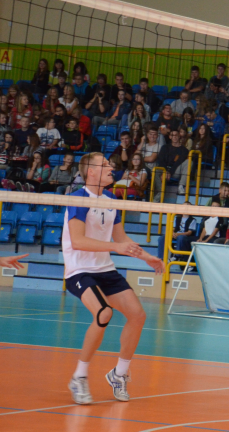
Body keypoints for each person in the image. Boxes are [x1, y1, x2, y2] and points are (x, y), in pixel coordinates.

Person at [64, 153, 164, 405]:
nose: (111, 167)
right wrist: (114, 247)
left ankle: (119, 374)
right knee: (103, 313)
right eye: (105, 164)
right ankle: (79, 376)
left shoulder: (111, 199)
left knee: (138, 316)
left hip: (105, 269)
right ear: (91, 172)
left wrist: (147, 257)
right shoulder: (78, 199)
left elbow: (121, 240)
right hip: (79, 270)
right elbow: (78, 241)